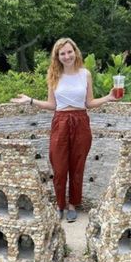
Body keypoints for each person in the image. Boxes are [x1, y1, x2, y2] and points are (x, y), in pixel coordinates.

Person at [12, 38, 114, 222]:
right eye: (62, 53)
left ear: (75, 52)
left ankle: (73, 205)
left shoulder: (85, 74)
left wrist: (108, 97)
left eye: (69, 52)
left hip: (81, 122)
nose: (67, 56)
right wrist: (31, 101)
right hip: (60, 122)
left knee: (77, 167)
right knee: (59, 168)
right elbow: (52, 104)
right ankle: (60, 205)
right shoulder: (54, 75)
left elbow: (89, 103)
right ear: (57, 56)